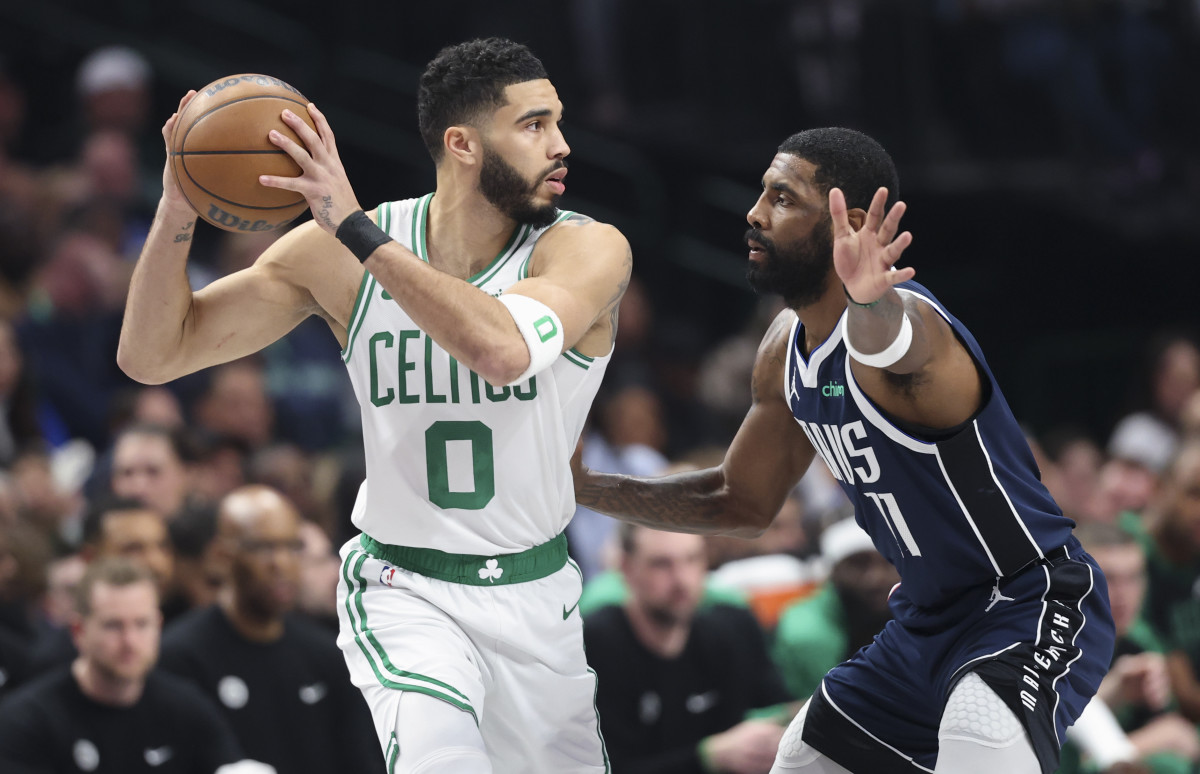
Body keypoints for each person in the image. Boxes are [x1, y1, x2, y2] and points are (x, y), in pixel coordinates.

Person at [117, 37, 630, 774]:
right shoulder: (331, 256)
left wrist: (354, 229)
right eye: (534, 125)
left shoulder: (585, 250)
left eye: (556, 123)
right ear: (462, 143)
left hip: (535, 595)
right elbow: (152, 354)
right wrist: (179, 201)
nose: (561, 145)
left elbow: (501, 350)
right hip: (404, 588)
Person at [572, 127, 1115, 774]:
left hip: (1028, 602)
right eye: (760, 194)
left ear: (846, 223)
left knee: (981, 738)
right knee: (803, 759)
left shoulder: (914, 329)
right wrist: (579, 487)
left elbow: (895, 343)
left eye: (781, 197)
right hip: (925, 624)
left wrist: (869, 300)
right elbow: (737, 502)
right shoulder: (782, 351)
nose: (754, 213)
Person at [159, 485, 383, 774]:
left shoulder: (329, 655)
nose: (281, 563)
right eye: (262, 548)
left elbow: (361, 761)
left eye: (291, 547)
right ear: (221, 555)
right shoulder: (180, 658)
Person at [0, 557, 251, 774]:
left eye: (142, 624)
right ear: (79, 631)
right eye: (113, 626)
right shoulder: (29, 722)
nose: (129, 641)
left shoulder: (187, 709)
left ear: (159, 626)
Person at [583, 523, 795, 774]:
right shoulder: (598, 645)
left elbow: (782, 707)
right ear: (627, 569)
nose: (682, 579)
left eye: (692, 559)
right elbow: (607, 766)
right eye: (661, 564)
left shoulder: (732, 630)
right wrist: (709, 757)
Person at [772, 517, 897, 700]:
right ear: (832, 571)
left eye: (888, 561)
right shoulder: (807, 632)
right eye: (859, 564)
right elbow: (834, 703)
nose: (876, 578)